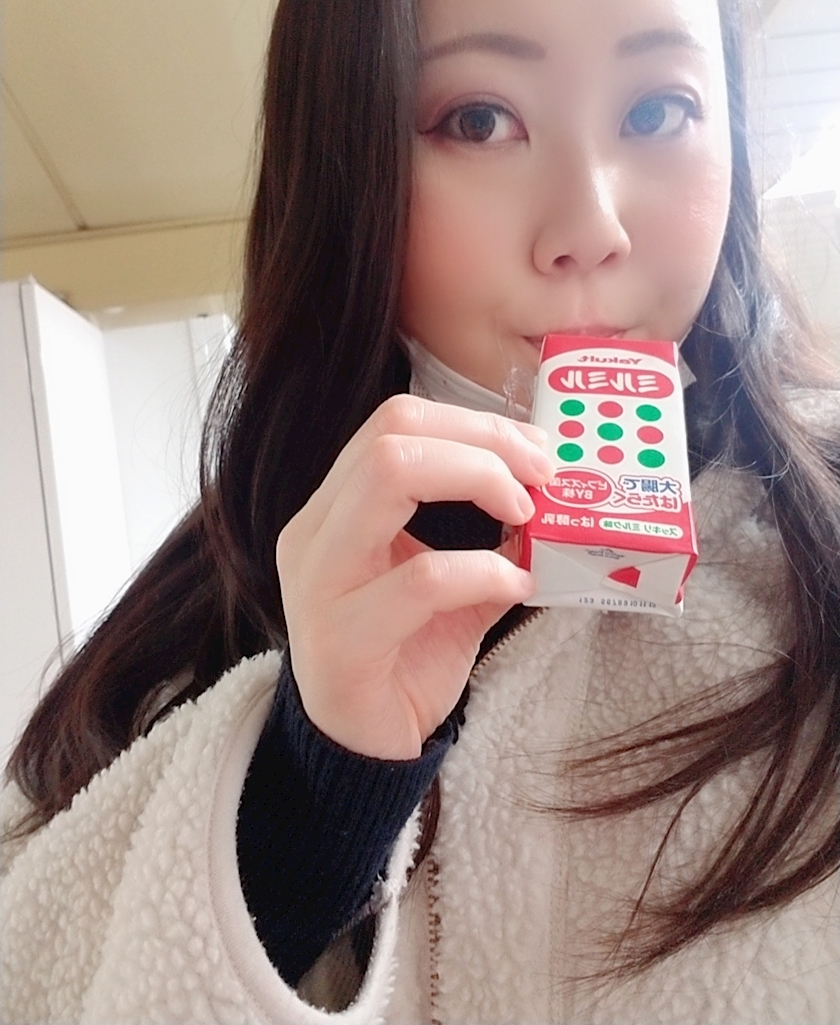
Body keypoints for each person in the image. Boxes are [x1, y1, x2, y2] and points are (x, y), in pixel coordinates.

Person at [2, 0, 839, 1019]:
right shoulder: (175, 645)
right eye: (480, 120)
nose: (591, 227)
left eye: (659, 110)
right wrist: (309, 802)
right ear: (347, 170)